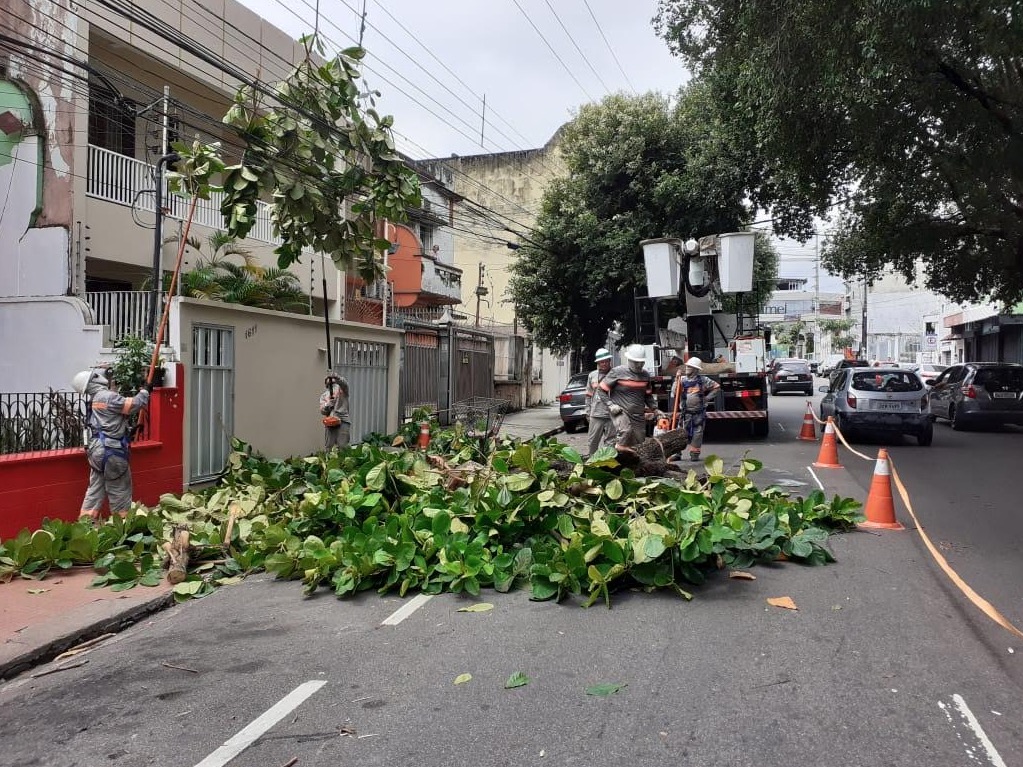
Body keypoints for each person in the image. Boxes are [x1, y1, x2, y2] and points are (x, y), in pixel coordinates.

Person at [72, 368, 151, 522]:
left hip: (96, 452)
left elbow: (109, 419)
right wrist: (145, 392)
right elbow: (132, 405)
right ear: (93, 380)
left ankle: (84, 526)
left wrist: (126, 428)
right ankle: (121, 529)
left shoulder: (94, 399)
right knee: (120, 490)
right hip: (112, 451)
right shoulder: (106, 396)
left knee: (95, 489)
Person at [597, 343, 659, 450]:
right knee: (625, 432)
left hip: (638, 415)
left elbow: (647, 396)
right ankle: (615, 454)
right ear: (629, 360)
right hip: (620, 411)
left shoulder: (645, 375)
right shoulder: (617, 372)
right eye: (636, 362)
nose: (639, 365)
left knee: (640, 442)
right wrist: (610, 405)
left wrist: (655, 409)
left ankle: (632, 463)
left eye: (641, 362)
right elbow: (600, 390)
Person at [671, 356, 720, 462]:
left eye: (690, 367)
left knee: (697, 433)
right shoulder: (682, 380)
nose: (687, 368)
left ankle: (694, 453)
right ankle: (677, 453)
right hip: (685, 413)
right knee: (680, 433)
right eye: (687, 366)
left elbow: (716, 387)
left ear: (695, 369)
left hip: (698, 413)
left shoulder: (703, 380)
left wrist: (707, 398)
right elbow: (674, 393)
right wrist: (676, 379)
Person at [584, 348, 615, 457]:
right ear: (597, 362)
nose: (604, 363)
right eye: (602, 361)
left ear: (609, 361)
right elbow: (588, 395)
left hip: (612, 415)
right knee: (592, 442)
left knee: (610, 442)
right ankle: (592, 463)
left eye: (606, 361)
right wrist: (587, 411)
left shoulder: (615, 374)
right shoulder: (592, 375)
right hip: (596, 414)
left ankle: (607, 464)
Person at [319, 373, 352, 450]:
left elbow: (344, 384)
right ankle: (329, 460)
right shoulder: (324, 396)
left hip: (343, 421)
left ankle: (343, 461)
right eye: (329, 383)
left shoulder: (342, 391)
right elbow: (322, 411)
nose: (332, 385)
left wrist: (337, 377)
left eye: (333, 383)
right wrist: (328, 405)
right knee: (329, 446)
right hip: (330, 422)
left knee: (342, 446)